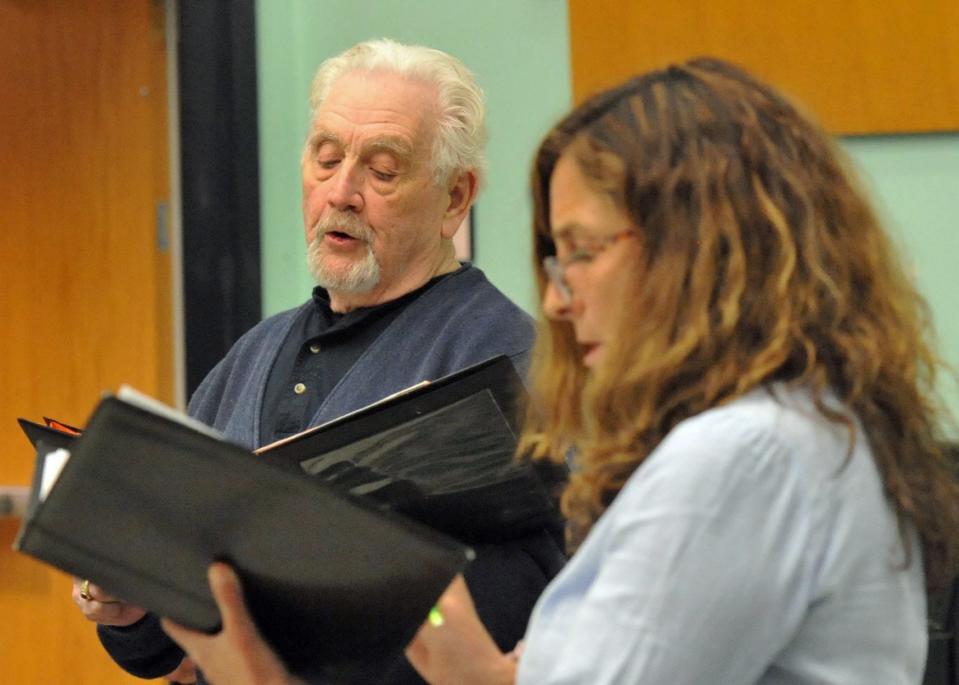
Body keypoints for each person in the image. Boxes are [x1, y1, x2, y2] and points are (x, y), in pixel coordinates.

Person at [163, 57, 959, 684]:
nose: (556, 296)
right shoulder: (807, 429)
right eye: (325, 156)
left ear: (696, 254)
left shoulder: (741, 455)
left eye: (579, 252)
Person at [71, 38, 565, 685]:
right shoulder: (250, 356)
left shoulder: (513, 360)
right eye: (325, 157)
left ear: (454, 198)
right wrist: (134, 610)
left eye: (382, 170)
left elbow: (548, 591)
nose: (342, 192)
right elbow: (176, 625)